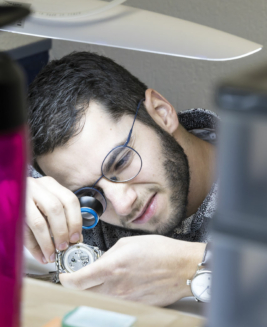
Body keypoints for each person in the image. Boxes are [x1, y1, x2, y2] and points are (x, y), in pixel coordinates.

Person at [26, 51, 217, 306]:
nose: (123, 204)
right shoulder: (69, 200)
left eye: (122, 162)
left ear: (161, 113)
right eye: (91, 195)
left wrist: (194, 265)